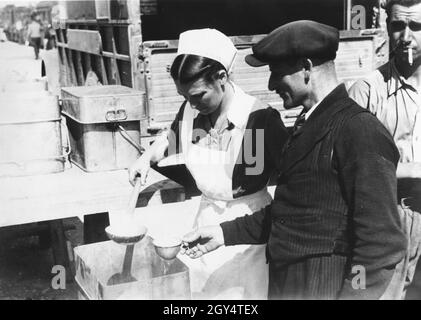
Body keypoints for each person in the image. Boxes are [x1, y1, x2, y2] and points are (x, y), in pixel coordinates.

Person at [181, 20, 407, 300]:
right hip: (289, 282)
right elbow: (290, 212)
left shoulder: (359, 131)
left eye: (277, 73)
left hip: (323, 282)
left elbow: (381, 243)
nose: (271, 84)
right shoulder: (307, 124)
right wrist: (223, 233)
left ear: (307, 67)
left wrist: (354, 296)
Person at [128, 28, 289, 299]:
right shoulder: (192, 111)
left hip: (247, 231)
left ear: (222, 77)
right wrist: (146, 158)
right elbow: (171, 137)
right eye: (184, 97)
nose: (191, 103)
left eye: (199, 95)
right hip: (204, 224)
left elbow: (294, 180)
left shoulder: (259, 119)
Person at [348, 0, 421, 299]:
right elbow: (352, 167)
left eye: (416, 26)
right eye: (397, 26)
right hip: (387, 219)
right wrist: (413, 170)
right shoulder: (366, 90)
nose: (405, 36)